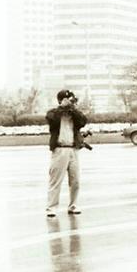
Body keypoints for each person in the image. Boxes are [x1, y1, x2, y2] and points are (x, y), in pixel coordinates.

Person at [46, 89, 88, 217]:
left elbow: (83, 121)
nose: (71, 102)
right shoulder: (53, 113)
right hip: (60, 149)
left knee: (75, 180)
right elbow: (52, 120)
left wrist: (72, 109)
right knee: (56, 180)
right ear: (60, 100)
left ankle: (73, 205)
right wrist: (61, 108)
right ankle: (51, 207)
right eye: (68, 99)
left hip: (73, 149)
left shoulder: (74, 114)